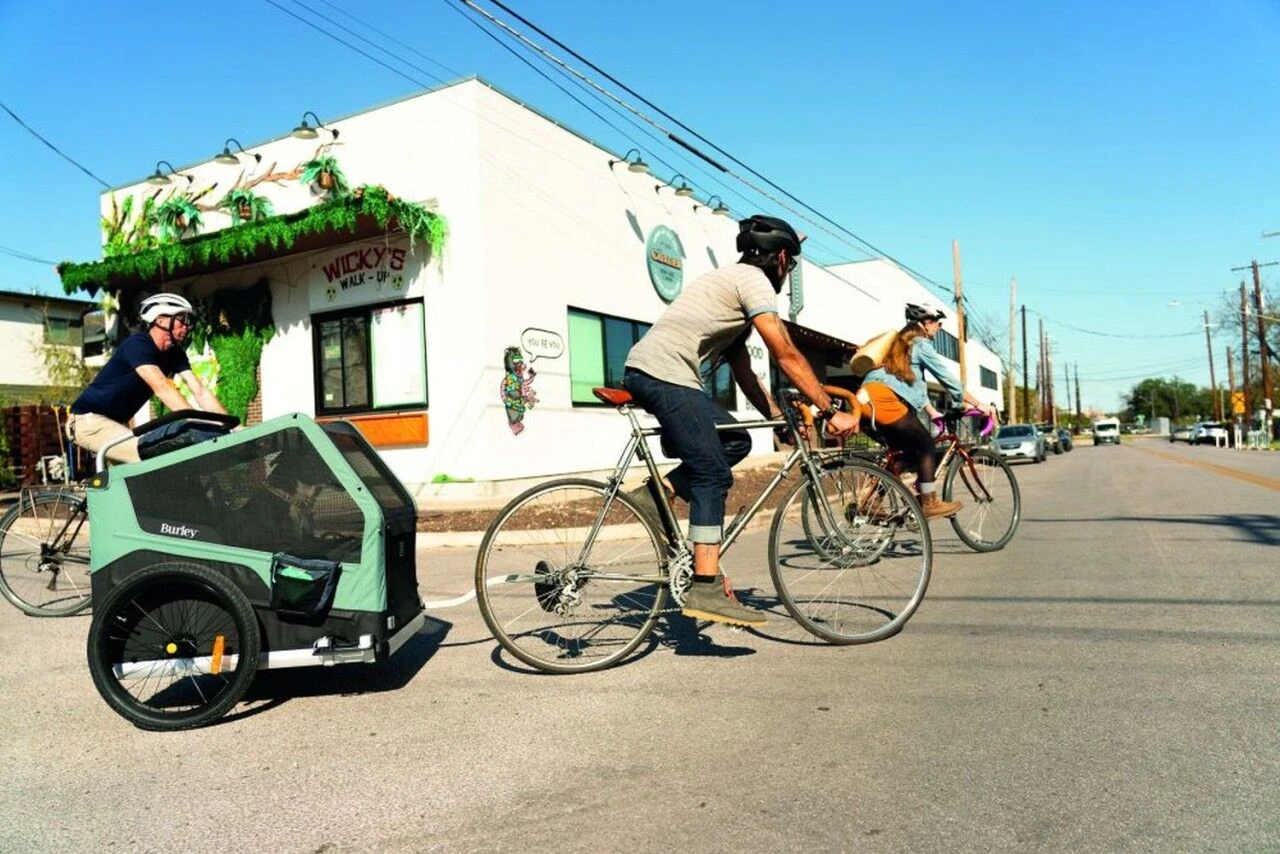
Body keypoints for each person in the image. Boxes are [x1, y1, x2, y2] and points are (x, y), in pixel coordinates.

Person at [622, 214, 859, 628]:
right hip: (665, 376)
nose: (789, 271)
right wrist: (827, 408)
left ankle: (656, 497)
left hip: (659, 374)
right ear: (781, 258)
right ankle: (706, 586)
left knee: (736, 441)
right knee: (711, 473)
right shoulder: (753, 281)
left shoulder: (729, 284)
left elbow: (745, 372)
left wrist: (776, 417)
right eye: (791, 263)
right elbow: (785, 353)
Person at [856, 302, 999, 519]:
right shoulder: (920, 344)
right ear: (926, 323)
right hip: (884, 401)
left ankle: (870, 499)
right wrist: (980, 405)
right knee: (926, 444)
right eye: (938, 323)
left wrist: (932, 412)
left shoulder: (897, 345)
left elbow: (912, 385)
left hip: (864, 400)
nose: (939, 328)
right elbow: (947, 379)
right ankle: (928, 502)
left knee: (904, 451)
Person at [66, 292, 228, 464]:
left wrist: (229, 426)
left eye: (190, 321)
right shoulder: (138, 345)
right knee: (152, 457)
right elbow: (162, 388)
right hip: (88, 420)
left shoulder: (175, 354)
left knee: (134, 477)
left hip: (115, 424)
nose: (187, 326)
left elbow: (199, 390)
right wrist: (199, 425)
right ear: (161, 320)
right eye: (183, 320)